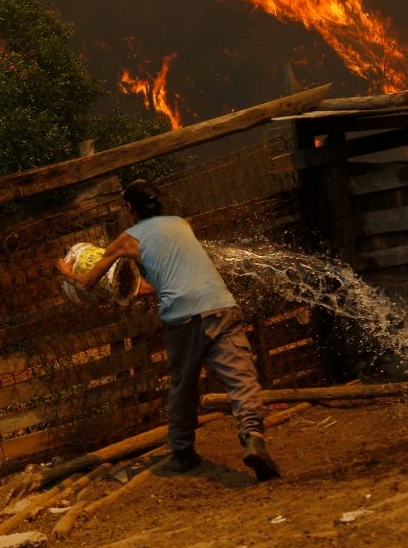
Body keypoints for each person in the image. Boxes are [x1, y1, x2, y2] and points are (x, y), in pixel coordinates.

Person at [57, 179, 281, 479]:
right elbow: (173, 276)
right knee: (241, 377)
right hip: (221, 305)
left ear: (128, 209)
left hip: (182, 318)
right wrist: (134, 288)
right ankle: (253, 437)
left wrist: (67, 273)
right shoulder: (182, 224)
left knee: (183, 386)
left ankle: (182, 452)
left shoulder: (126, 239)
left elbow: (88, 283)